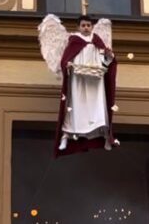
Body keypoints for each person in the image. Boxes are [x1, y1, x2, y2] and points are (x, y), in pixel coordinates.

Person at [37, 14, 119, 156]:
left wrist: (108, 57)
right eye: (83, 25)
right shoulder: (74, 41)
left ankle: (105, 137)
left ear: (92, 27)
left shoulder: (97, 42)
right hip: (78, 80)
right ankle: (66, 136)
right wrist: (68, 65)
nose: (86, 28)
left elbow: (104, 62)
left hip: (95, 80)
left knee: (98, 108)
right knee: (76, 108)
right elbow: (65, 60)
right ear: (78, 27)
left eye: (88, 25)